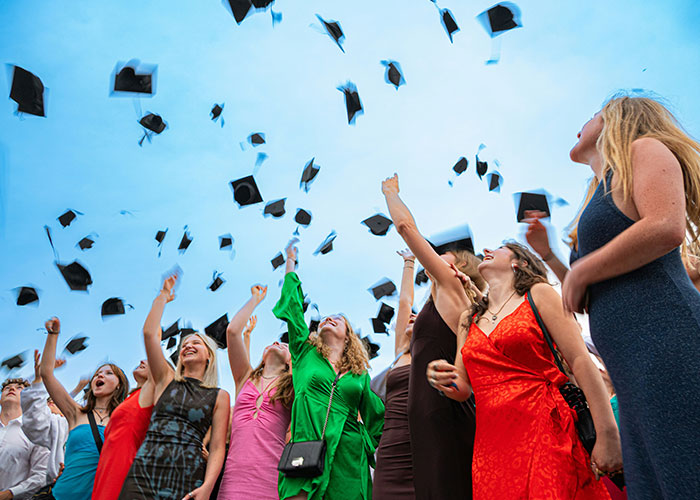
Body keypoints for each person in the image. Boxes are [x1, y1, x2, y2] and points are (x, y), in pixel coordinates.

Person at [561, 94, 700, 498]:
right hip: (631, 364)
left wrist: (581, 269)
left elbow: (666, 227)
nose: (581, 122)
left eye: (591, 114)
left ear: (614, 118)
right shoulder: (599, 189)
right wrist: (561, 261)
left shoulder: (645, 148)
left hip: (666, 342)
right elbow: (587, 289)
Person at [427, 242, 622, 499]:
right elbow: (462, 388)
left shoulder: (538, 293)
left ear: (519, 262)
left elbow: (579, 360)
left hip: (544, 427)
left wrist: (608, 432)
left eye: (500, 247)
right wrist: (440, 376)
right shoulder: (468, 319)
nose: (487, 248)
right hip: (492, 446)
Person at [381, 173, 484, 500]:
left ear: (459, 264)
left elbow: (406, 228)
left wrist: (389, 192)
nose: (435, 256)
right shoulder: (458, 299)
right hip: (433, 413)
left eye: (443, 254)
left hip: (440, 410)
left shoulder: (452, 287)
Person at [274, 238, 384, 500]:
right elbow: (292, 307)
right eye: (325, 317)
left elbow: (376, 416)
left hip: (348, 456)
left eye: (338, 319)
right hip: (307, 447)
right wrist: (290, 262)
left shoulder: (359, 374)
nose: (328, 318)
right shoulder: (304, 353)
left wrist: (365, 444)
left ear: (349, 336)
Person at [119, 274, 230, 500]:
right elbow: (150, 334)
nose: (187, 346)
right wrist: (162, 296)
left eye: (195, 343)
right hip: (143, 474)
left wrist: (208, 487)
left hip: (187, 478)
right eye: (184, 345)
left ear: (209, 355)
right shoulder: (165, 379)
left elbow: (218, 447)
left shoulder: (219, 396)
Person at [40, 317, 129, 500]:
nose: (100, 375)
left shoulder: (124, 421)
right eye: (97, 373)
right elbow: (46, 374)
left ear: (119, 385)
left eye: (108, 373)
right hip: (60, 495)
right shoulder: (76, 413)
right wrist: (53, 335)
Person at [218, 284, 293, 500]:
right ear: (262, 353)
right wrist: (255, 300)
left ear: (291, 361)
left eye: (285, 346)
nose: (278, 342)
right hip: (234, 477)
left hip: (271, 477)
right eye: (273, 342)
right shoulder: (245, 378)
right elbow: (232, 332)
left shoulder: (292, 387)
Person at [372, 249, 416, 500]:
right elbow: (403, 302)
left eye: (416, 316)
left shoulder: (438, 350)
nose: (410, 317)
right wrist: (409, 263)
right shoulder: (400, 352)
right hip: (393, 444)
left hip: (428, 439)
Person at [92, 360, 157, 500]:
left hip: (124, 472)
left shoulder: (150, 394)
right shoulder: (129, 399)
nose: (142, 361)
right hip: (106, 471)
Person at [20, 351, 71, 497]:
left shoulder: (80, 421)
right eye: (48, 402)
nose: (51, 404)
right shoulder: (56, 425)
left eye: (54, 402)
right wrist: (40, 377)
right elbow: (36, 419)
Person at [0, 377, 50, 500]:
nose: (12, 388)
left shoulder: (36, 432)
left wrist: (10, 493)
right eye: (7, 388)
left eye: (19, 388)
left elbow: (41, 475)